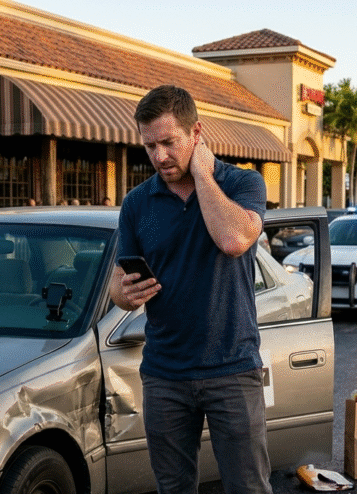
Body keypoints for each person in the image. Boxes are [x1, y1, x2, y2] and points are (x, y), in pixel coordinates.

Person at [109, 85, 270, 494]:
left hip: (232, 368)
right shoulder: (137, 203)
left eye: (169, 142)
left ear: (196, 133)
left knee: (248, 488)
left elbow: (234, 239)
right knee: (173, 488)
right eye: (149, 146)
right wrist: (122, 294)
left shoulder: (242, 183)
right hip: (164, 373)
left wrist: (202, 174)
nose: (159, 156)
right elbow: (116, 281)